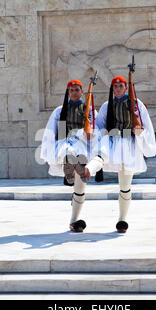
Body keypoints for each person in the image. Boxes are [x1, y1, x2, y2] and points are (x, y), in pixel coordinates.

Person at [40, 79, 104, 233]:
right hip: (66, 144)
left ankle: (74, 222)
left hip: (84, 148)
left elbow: (99, 133)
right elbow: (50, 133)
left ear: (82, 92)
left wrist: (91, 134)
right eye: (72, 90)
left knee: (80, 188)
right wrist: (48, 157)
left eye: (77, 90)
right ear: (68, 93)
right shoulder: (59, 111)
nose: (74, 92)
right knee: (69, 151)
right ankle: (70, 165)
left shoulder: (90, 110)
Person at [95, 76, 156, 233]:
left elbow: (146, 125)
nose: (117, 89)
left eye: (121, 86)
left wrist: (140, 133)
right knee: (100, 158)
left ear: (126, 87)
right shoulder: (106, 106)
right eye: (115, 86)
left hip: (129, 146)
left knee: (125, 184)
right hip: (112, 144)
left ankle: (122, 220)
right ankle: (90, 168)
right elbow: (99, 126)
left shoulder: (136, 104)